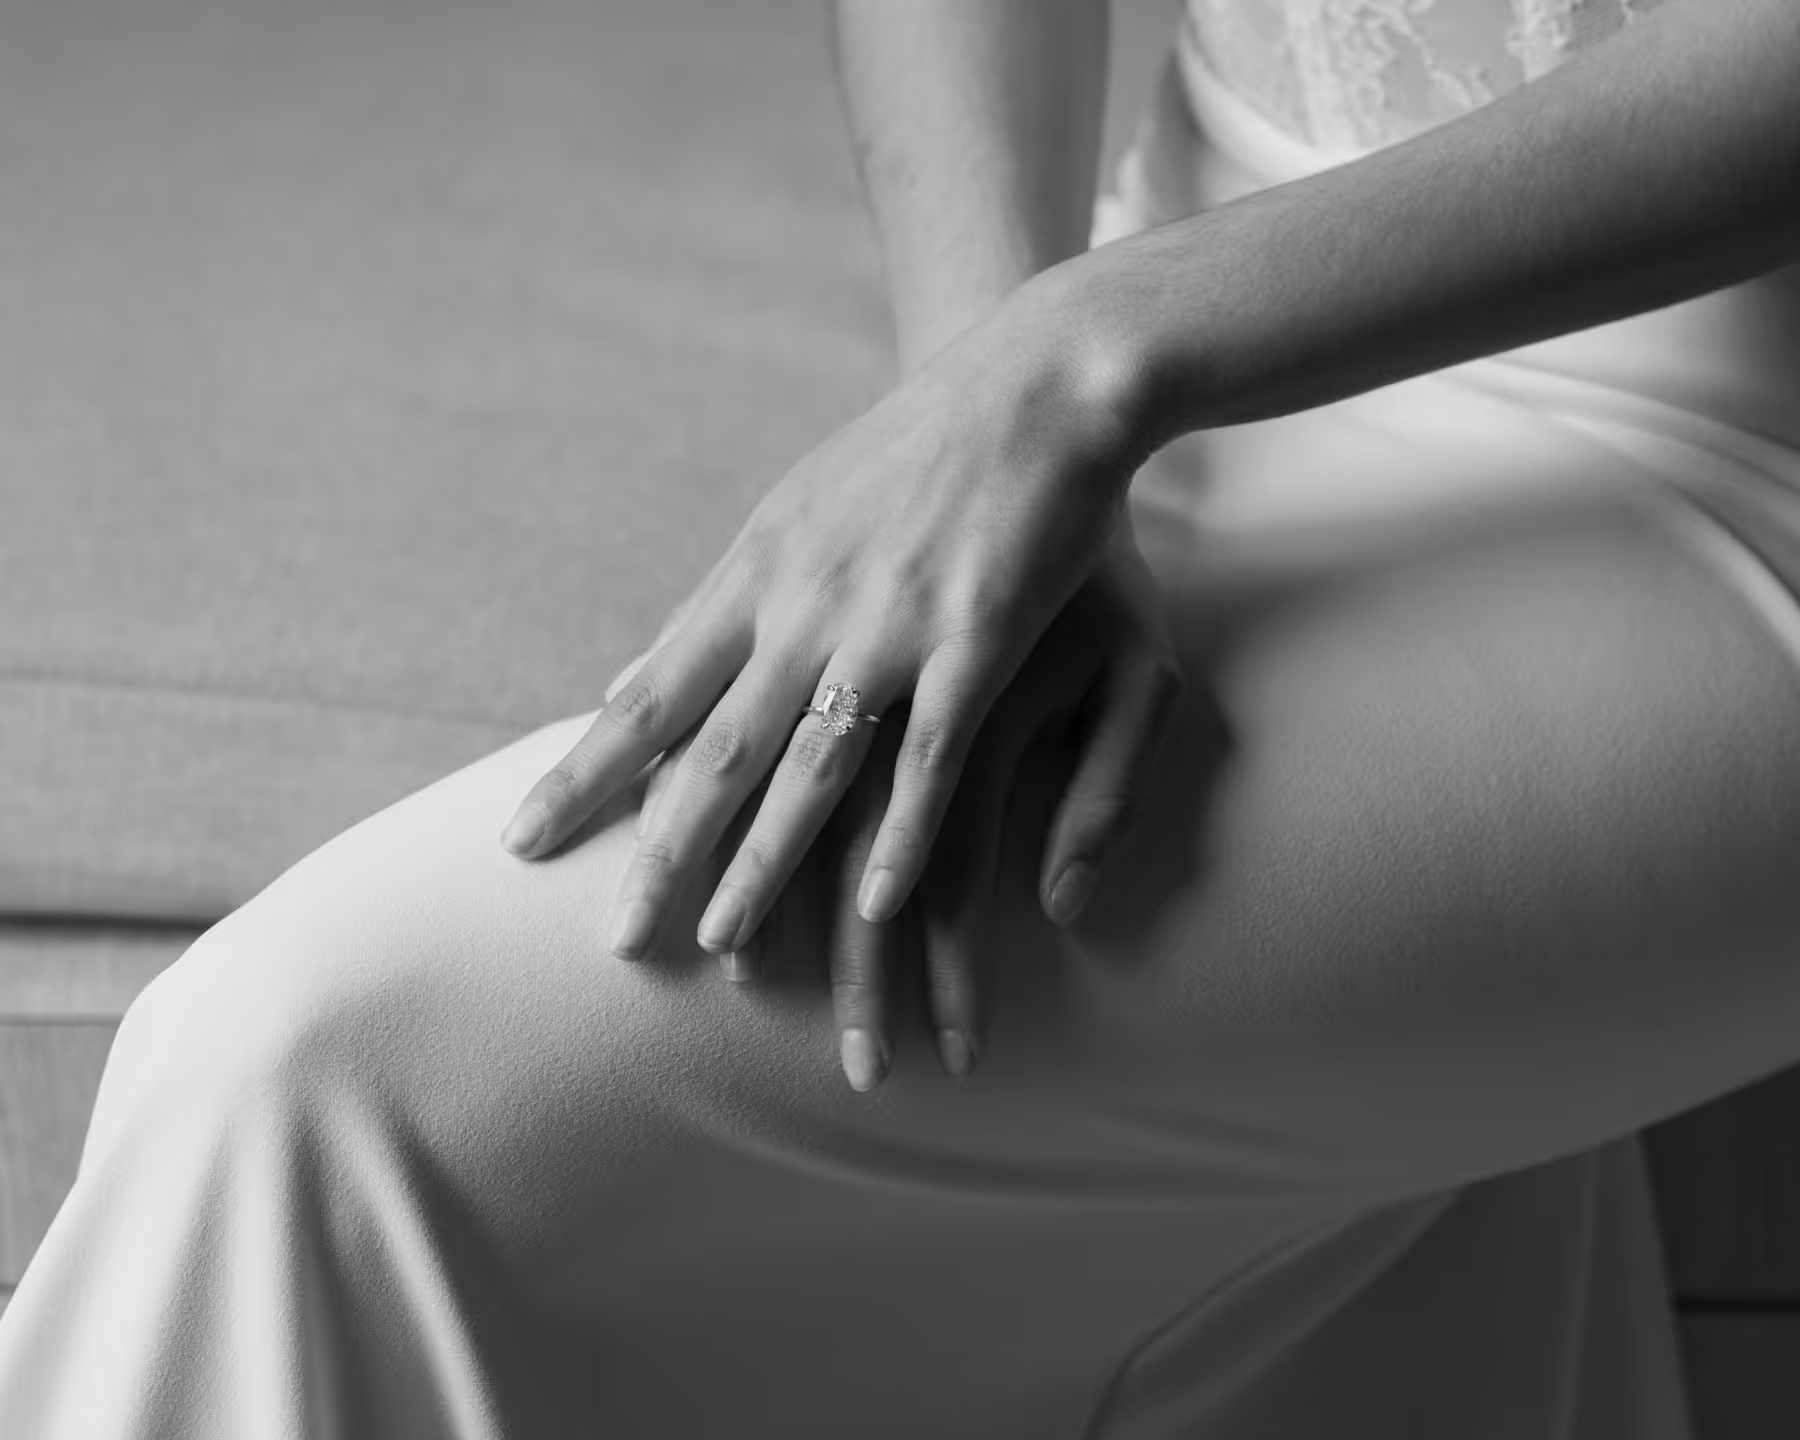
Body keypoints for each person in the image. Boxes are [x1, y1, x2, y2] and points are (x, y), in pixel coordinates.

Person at [3, 0, 1799, 1433]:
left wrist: (1088, 361)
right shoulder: (1081, 363)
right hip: (1205, 287)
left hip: (1720, 446)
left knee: (312, 1077)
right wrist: (1000, 380)